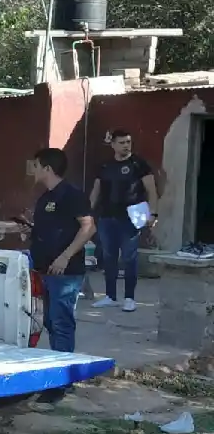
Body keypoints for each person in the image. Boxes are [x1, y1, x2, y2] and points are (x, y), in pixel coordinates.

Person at [29, 148, 95, 390]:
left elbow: (88, 227)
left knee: (61, 322)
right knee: (48, 320)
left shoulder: (71, 194)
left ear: (47, 168)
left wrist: (65, 256)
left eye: (36, 165)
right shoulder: (45, 198)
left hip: (65, 272)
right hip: (44, 268)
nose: (33, 170)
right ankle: (60, 367)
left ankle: (61, 382)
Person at [89, 129, 158, 312]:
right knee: (108, 257)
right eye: (122, 142)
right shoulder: (104, 165)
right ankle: (110, 296)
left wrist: (154, 214)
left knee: (129, 258)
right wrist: (88, 213)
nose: (126, 145)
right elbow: (96, 191)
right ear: (112, 144)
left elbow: (151, 190)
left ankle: (130, 298)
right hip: (107, 217)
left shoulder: (138, 164)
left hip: (131, 217)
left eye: (128, 142)